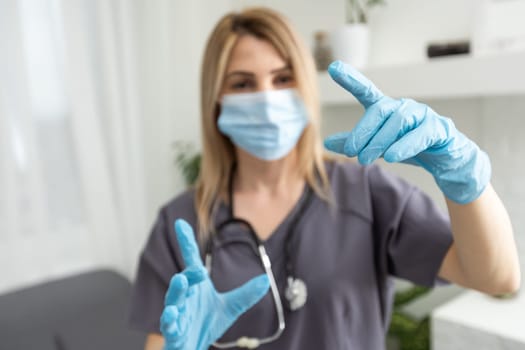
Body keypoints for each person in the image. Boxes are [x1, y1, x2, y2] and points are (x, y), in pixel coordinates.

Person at [128, 7, 521, 350]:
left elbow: (496, 276)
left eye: (283, 78)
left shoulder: (365, 191)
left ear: (305, 86)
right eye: (242, 84)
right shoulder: (179, 224)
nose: (266, 97)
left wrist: (465, 178)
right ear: (216, 100)